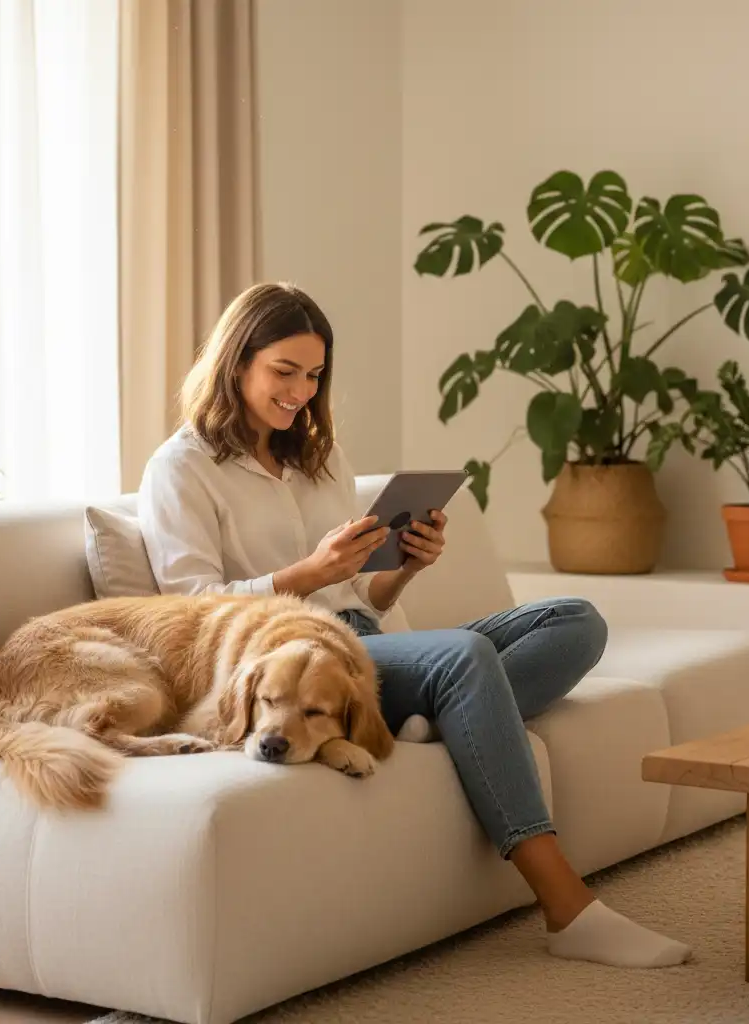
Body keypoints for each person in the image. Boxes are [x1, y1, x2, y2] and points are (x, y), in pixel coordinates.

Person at [137, 281, 692, 970]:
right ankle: (566, 906)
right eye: (284, 371)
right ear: (235, 362)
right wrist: (306, 573)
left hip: (365, 643)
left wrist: (405, 568)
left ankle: (429, 719)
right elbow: (192, 609)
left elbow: (359, 594)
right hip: (293, 662)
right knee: (462, 656)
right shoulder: (181, 468)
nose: (300, 392)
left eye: (313, 375)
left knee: (574, 620)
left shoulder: (318, 454)